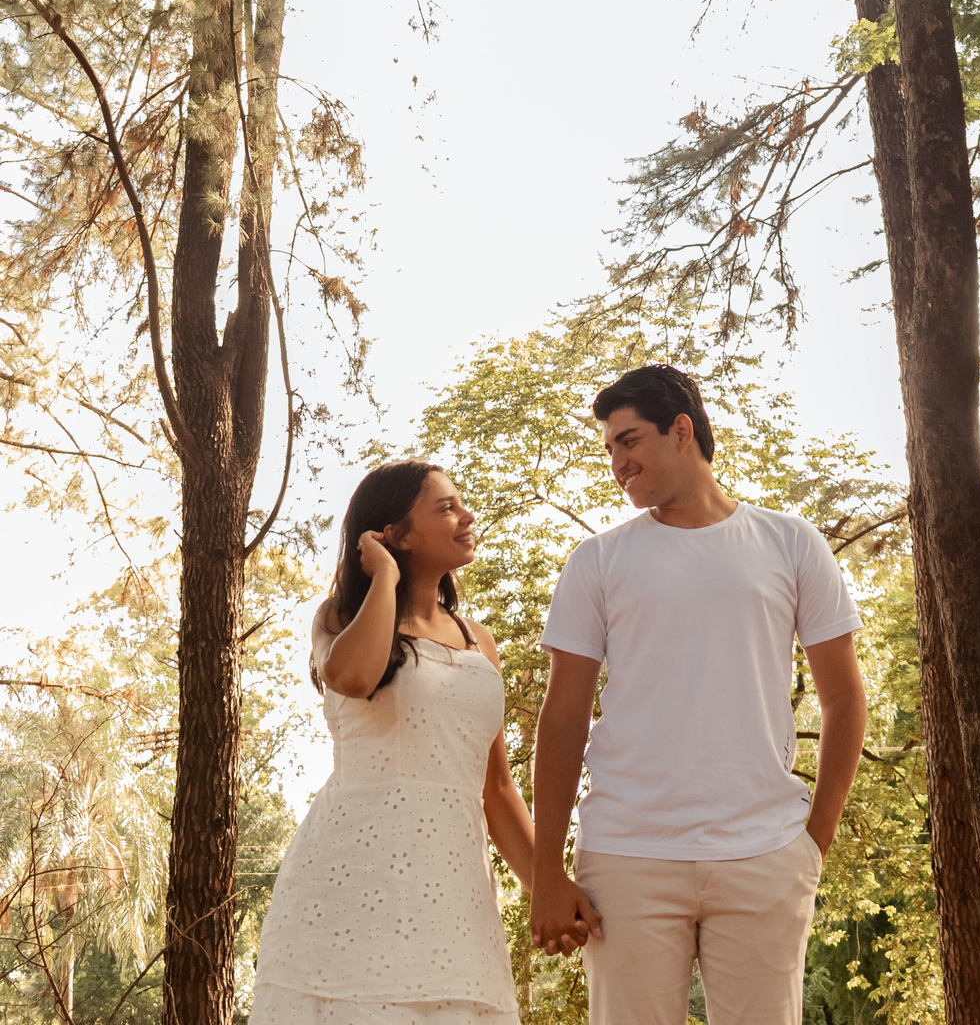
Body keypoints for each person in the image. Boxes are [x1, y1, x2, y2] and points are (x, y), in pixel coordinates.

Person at [530, 364, 867, 1025]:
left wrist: (812, 841)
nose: (617, 463)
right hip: (627, 855)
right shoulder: (596, 561)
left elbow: (845, 701)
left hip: (765, 853)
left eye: (629, 441)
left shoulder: (790, 543)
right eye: (609, 450)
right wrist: (547, 871)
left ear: (681, 429)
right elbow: (564, 717)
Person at [248, 460, 532, 1025]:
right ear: (394, 534)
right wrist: (384, 579)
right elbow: (354, 678)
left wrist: (545, 886)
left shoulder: (480, 641)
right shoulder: (339, 616)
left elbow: (497, 788)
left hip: (456, 891)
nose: (466, 515)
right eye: (446, 507)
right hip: (352, 881)